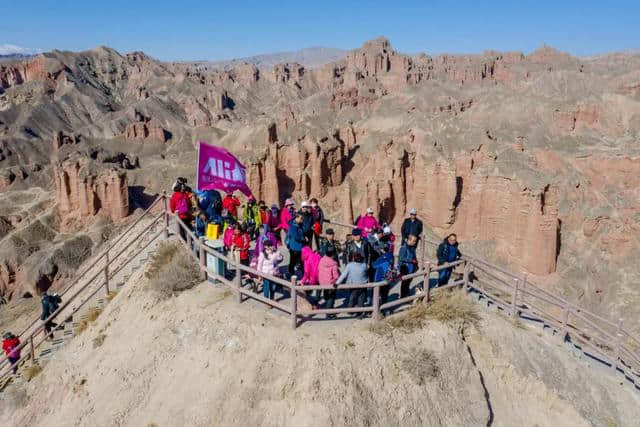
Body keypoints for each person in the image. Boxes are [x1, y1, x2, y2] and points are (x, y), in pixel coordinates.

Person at [336, 252, 369, 318]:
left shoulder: (350, 265)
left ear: (354, 259)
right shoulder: (364, 265)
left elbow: (343, 275)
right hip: (363, 285)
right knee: (361, 299)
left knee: (352, 298)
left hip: (353, 285)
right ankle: (360, 311)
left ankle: (351, 310)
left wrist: (337, 283)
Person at [318, 248, 340, 316]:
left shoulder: (321, 260)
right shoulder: (334, 264)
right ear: (333, 255)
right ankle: (329, 313)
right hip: (330, 283)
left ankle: (330, 309)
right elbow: (336, 276)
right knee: (331, 297)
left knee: (326, 296)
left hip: (322, 282)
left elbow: (319, 269)